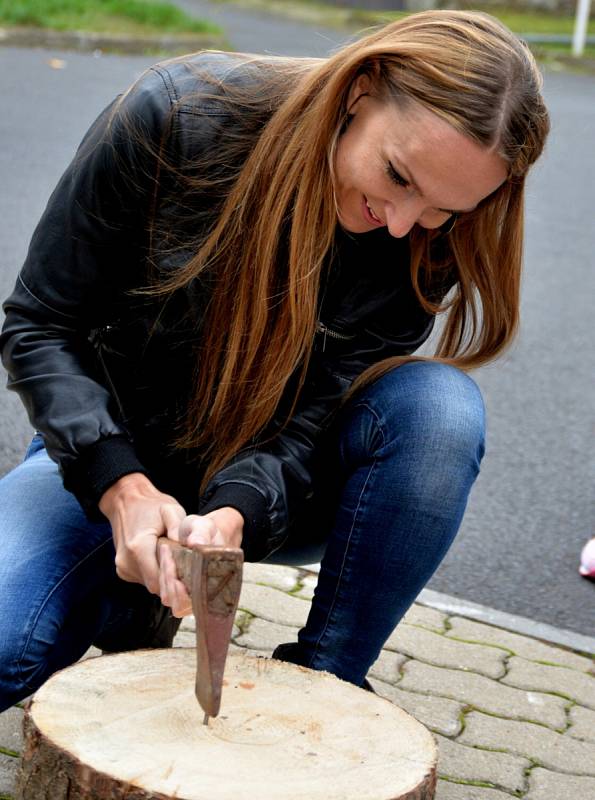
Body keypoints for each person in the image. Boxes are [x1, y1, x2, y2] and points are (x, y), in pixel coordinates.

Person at [0, 10, 549, 711]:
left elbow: (315, 414)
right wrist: (122, 489)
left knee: (438, 409)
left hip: (280, 487)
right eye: (397, 176)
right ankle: (125, 595)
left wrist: (233, 514)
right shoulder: (174, 116)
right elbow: (41, 324)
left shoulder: (429, 236)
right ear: (360, 89)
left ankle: (327, 685)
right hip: (110, 453)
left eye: (445, 208)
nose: (406, 223)